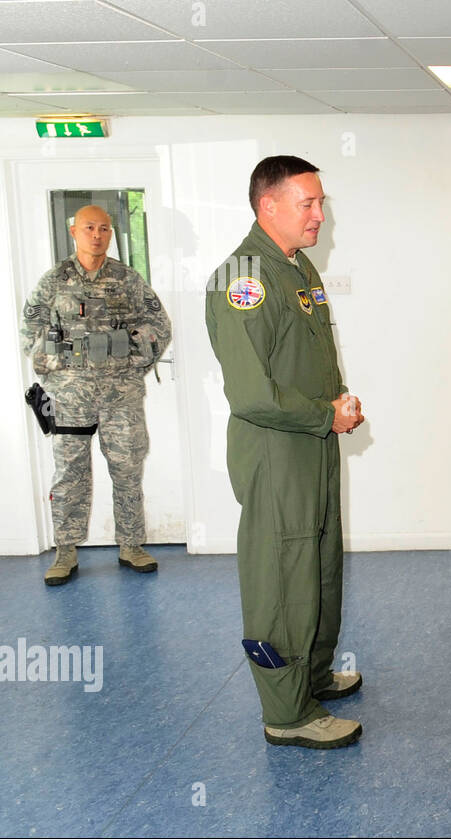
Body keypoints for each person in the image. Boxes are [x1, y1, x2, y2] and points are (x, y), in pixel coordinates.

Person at [205, 156, 365, 750]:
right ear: (267, 205)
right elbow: (251, 393)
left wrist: (339, 404)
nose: (320, 215)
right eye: (309, 204)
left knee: (321, 563)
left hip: (314, 444)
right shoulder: (242, 278)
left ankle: (312, 677)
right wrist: (326, 414)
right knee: (282, 578)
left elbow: (315, 357)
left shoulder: (297, 269)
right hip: (277, 453)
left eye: (320, 202)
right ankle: (286, 712)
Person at [20, 204, 171, 585]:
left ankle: (131, 545)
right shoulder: (55, 280)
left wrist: (135, 359)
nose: (98, 234)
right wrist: (53, 363)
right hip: (69, 396)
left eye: (104, 228)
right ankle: (65, 551)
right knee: (69, 472)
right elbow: (30, 326)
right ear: (74, 232)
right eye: (90, 227)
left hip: (121, 394)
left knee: (127, 468)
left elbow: (158, 324)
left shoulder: (127, 279)